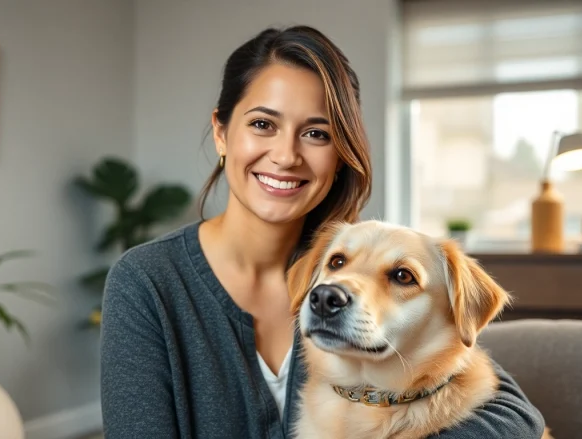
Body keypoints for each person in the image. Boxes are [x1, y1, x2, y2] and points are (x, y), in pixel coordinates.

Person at [100, 25, 546, 439]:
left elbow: (515, 418)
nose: (286, 155)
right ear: (221, 132)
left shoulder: (353, 253)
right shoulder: (146, 282)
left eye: (316, 133)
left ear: (340, 155)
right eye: (262, 124)